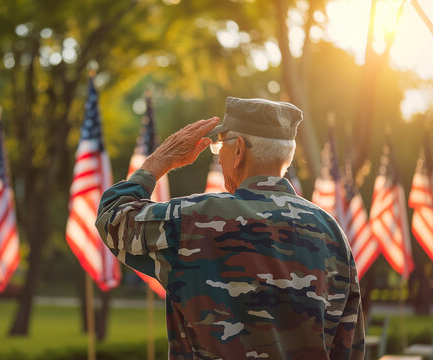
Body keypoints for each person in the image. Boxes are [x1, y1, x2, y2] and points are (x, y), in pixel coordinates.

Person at [95, 97, 364, 359]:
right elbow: (349, 346)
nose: (219, 159)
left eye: (218, 148)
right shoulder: (331, 232)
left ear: (239, 151)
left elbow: (112, 217)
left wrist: (159, 161)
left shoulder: (194, 219)